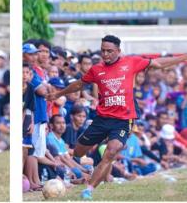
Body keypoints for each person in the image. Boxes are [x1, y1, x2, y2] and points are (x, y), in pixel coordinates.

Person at [47, 35, 187, 200]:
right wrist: (59, 93)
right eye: (103, 51)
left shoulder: (131, 62)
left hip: (123, 120)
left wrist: (183, 57)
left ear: (118, 51)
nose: (105, 54)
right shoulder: (96, 70)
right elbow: (79, 84)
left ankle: (89, 190)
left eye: (109, 51)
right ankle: (85, 167)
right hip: (102, 119)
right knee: (79, 150)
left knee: (111, 151)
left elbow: (158, 63)